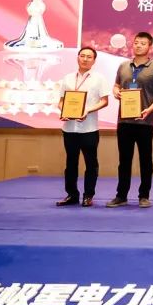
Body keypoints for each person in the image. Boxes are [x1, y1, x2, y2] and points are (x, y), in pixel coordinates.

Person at [108, 32, 153, 208]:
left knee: (145, 160)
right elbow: (116, 85)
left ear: (150, 47)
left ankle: (144, 195)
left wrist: (150, 109)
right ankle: (121, 196)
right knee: (124, 161)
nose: (139, 46)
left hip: (145, 121)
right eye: (136, 42)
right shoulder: (123, 66)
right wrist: (116, 92)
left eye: (143, 43)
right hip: (124, 121)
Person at [55, 46, 109, 207]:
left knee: (91, 164)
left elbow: (104, 101)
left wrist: (87, 110)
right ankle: (72, 195)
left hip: (89, 128)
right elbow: (61, 101)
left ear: (94, 60)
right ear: (77, 57)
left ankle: (88, 195)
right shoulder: (67, 78)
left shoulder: (99, 78)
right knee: (70, 163)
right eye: (82, 56)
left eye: (89, 57)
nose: (85, 59)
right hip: (69, 128)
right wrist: (63, 111)